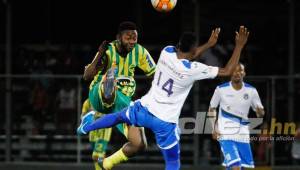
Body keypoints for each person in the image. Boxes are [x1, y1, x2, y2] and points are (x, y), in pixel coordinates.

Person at [78, 26, 249, 170]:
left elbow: (188, 52)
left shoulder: (166, 52)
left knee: (118, 117)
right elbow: (227, 71)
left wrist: (208, 45)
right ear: (193, 50)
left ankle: (88, 129)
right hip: (165, 121)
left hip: (145, 108)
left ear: (178, 45)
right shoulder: (193, 69)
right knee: (173, 161)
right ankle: (105, 99)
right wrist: (239, 46)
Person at [82, 21, 156, 169]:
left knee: (139, 144)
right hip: (98, 96)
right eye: (128, 37)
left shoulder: (140, 52)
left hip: (121, 104)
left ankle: (107, 164)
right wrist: (100, 55)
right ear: (118, 37)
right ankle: (109, 86)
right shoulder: (108, 51)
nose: (132, 41)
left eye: (134, 37)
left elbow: (156, 75)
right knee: (111, 77)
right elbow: (87, 76)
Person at [208, 63, 265, 170]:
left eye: (240, 70)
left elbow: (260, 113)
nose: (237, 73)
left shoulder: (251, 91)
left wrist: (260, 112)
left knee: (244, 167)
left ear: (244, 73)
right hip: (225, 134)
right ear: (230, 73)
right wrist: (213, 128)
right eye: (234, 70)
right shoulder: (221, 89)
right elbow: (212, 109)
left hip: (243, 134)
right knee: (236, 166)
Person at [81, 99, 112, 170]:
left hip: (104, 130)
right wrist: (87, 117)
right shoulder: (87, 102)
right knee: (98, 156)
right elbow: (83, 116)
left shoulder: (106, 100)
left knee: (96, 155)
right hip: (93, 131)